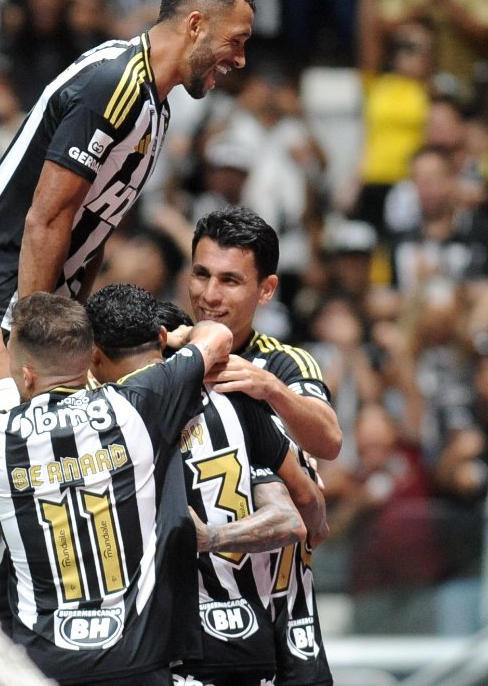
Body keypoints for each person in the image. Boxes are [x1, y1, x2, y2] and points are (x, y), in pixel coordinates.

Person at [0, 0, 256, 588]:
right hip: (1, 292)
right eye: (235, 41)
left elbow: (90, 230)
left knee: (15, 492)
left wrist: (72, 320)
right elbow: (46, 219)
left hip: (23, 287)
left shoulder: (153, 107)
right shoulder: (117, 85)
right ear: (195, 25)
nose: (239, 59)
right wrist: (32, 335)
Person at [0, 293, 233, 684]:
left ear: (27, 377)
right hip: (136, 665)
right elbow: (218, 335)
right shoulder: (136, 403)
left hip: (43, 668)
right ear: (90, 359)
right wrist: (177, 339)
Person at [86, 286, 328, 685]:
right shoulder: (235, 403)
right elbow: (305, 511)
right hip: (251, 635)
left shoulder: (106, 418)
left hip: (166, 644)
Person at [184, 206, 341, 685]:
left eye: (230, 280)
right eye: (201, 274)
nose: (209, 295)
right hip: (204, 615)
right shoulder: (165, 362)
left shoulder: (286, 363)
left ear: (266, 289)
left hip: (287, 604)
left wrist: (269, 388)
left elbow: (329, 440)